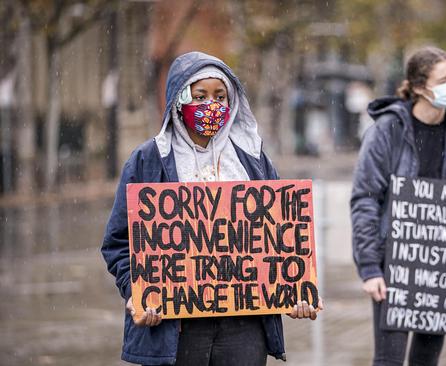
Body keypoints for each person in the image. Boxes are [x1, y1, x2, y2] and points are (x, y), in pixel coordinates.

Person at [101, 51, 322, 366]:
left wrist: (295, 290)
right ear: (180, 99)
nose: (211, 104)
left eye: (220, 96)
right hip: (176, 327)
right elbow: (119, 242)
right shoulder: (147, 160)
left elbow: (281, 236)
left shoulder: (253, 161)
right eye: (200, 95)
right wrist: (136, 291)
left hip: (244, 326)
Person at [350, 46, 446, 366]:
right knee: (389, 360)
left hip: (443, 266)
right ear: (420, 87)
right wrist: (369, 267)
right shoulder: (386, 131)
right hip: (393, 263)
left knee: (427, 361)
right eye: (445, 79)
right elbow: (366, 198)